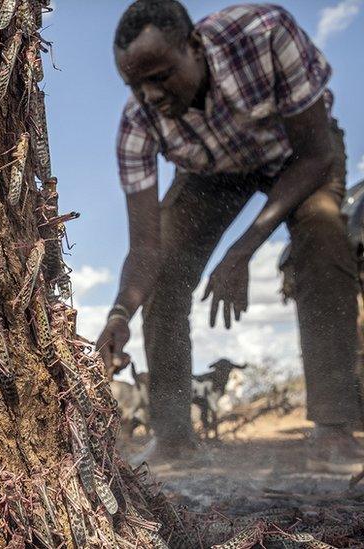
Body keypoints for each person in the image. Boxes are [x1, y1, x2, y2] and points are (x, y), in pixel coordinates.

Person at [96, 1, 362, 471]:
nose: (150, 96)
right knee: (165, 274)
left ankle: (334, 430)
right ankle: (175, 438)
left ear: (194, 46)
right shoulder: (136, 126)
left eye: (159, 76)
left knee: (323, 237)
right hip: (211, 174)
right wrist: (120, 312)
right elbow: (145, 248)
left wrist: (242, 249)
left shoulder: (262, 33)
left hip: (298, 153)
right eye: (135, 86)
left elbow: (317, 154)